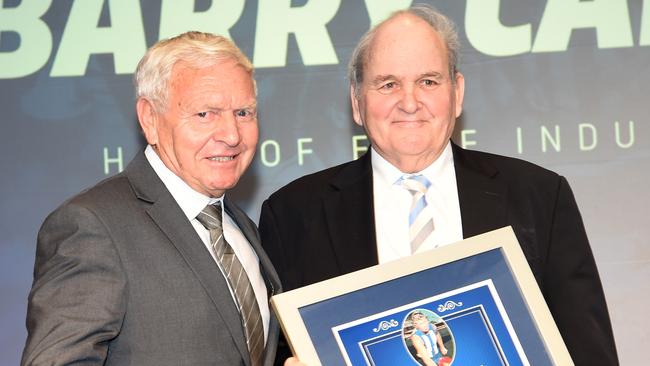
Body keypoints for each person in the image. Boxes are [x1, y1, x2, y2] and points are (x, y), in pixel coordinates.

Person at [259, 5, 618, 365]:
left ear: (457, 92)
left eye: (428, 81)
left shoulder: (539, 197)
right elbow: (276, 350)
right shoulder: (293, 215)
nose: (410, 102)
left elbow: (589, 350)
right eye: (388, 84)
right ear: (356, 101)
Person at [22, 31, 281, 366]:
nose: (231, 135)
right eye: (206, 114)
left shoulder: (240, 226)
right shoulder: (93, 227)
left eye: (244, 113)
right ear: (150, 119)